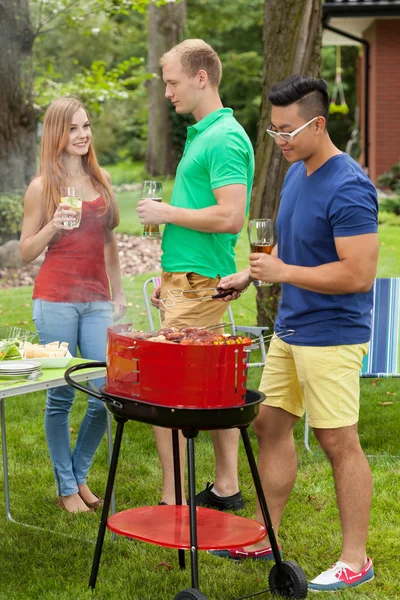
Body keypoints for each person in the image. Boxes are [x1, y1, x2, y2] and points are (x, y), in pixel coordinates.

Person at [214, 76, 378, 593]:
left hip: (332, 333)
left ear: (319, 123)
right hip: (291, 328)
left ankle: (356, 558)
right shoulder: (297, 173)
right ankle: (267, 535)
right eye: (274, 129)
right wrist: (253, 273)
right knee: (270, 426)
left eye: (288, 130)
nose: (279, 139)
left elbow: (358, 275)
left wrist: (283, 275)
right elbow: (290, 250)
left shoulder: (349, 185)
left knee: (337, 441)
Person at [137, 39, 254, 509]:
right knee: (216, 385)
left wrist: (166, 212)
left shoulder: (224, 138)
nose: (167, 93)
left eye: (172, 82)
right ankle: (225, 489)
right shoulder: (208, 134)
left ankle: (173, 501)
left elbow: (231, 217)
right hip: (190, 281)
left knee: (165, 391)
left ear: (201, 78)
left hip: (200, 282)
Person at [20, 97, 126, 513]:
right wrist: (53, 224)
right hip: (56, 300)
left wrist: (117, 293)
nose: (82, 135)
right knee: (62, 397)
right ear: (56, 134)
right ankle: (67, 489)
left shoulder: (100, 181)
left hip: (96, 299)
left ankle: (79, 476)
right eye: (73, 129)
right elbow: (26, 251)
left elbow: (109, 244)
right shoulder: (41, 186)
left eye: (86, 127)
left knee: (106, 392)